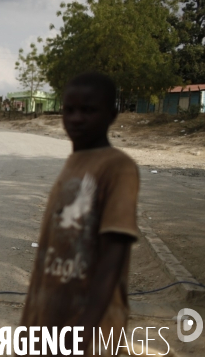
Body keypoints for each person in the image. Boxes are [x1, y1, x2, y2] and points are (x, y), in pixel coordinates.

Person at [19, 72, 140, 355]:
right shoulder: (74, 162)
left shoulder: (118, 167)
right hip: (47, 322)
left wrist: (82, 332)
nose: (76, 118)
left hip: (89, 328)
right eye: (69, 110)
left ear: (112, 114)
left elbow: (114, 255)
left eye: (88, 110)